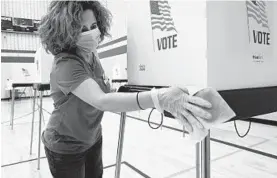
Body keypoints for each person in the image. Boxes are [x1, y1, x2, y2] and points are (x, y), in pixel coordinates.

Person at [38, 1, 212, 178]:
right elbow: (101, 100)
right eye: (82, 30)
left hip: (93, 138)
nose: (90, 33)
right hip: (65, 145)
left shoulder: (91, 54)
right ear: (66, 32)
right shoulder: (66, 64)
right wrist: (158, 97)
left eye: (93, 26)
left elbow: (105, 93)